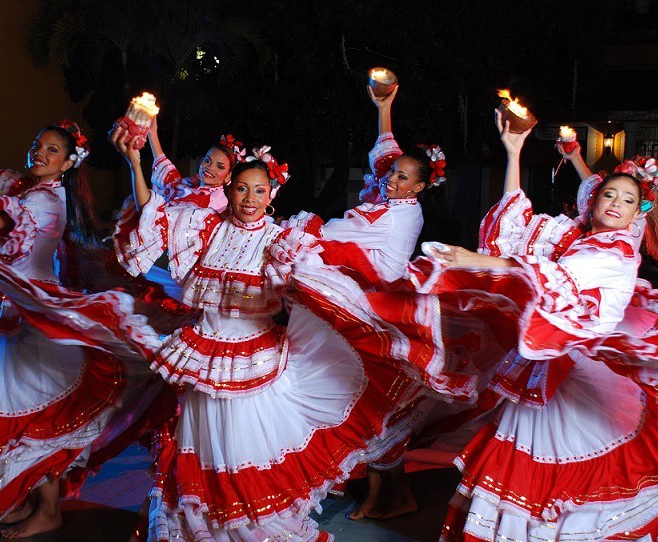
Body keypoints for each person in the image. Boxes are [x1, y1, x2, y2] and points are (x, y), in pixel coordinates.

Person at [110, 123, 428, 541]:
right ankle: (200, 523)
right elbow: (155, 211)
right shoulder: (204, 225)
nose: (249, 199)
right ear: (230, 189)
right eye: (242, 189)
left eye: (259, 191)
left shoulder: (283, 241)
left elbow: (330, 281)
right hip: (203, 350)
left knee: (242, 450)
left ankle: (246, 522)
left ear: (271, 195)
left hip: (252, 360)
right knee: (202, 446)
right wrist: (135, 161)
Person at [430, 110, 658, 540]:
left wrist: (475, 260)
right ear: (593, 202)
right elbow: (515, 231)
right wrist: (515, 151)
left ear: (639, 212)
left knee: (561, 473)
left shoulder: (614, 251)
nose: (615, 204)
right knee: (524, 460)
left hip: (578, 371)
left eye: (627, 200)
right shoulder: (576, 236)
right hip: (551, 364)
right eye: (608, 196)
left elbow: (549, 276)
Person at [0, 121, 172, 538]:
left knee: (32, 417)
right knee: (26, 417)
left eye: (50, 149)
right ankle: (30, 504)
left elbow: (10, 219)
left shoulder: (48, 200)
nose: (40, 153)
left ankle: (44, 509)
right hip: (26, 315)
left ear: (67, 163)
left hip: (40, 320)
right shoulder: (26, 188)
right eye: (36, 145)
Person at [281, 84, 447, 520]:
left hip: (374, 304)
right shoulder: (381, 200)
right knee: (345, 386)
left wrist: (319, 241)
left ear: (422, 186)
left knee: (369, 396)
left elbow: (365, 252)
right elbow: (384, 150)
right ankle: (369, 486)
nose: (392, 179)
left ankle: (379, 491)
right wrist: (385, 107)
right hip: (353, 297)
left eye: (403, 177)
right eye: (392, 174)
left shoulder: (404, 212)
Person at [146, 117, 243, 211]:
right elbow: (168, 177)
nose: (210, 167)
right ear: (201, 162)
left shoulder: (216, 203)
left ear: (228, 176)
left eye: (220, 167)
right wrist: (152, 133)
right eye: (207, 161)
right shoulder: (188, 185)